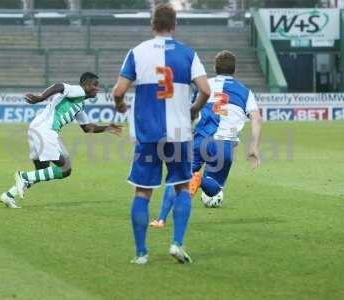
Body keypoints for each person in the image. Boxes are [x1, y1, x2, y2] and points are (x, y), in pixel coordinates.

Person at [112, 3, 210, 265]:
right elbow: (206, 90)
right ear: (174, 26)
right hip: (178, 134)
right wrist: (194, 109)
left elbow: (118, 91)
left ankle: (141, 253)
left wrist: (120, 105)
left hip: (148, 135)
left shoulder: (137, 52)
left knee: (142, 193)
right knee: (181, 189)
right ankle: (177, 243)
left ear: (152, 24)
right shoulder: (188, 54)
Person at [150, 50, 262, 228]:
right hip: (223, 146)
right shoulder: (245, 92)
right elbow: (256, 118)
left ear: (215, 68)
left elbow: (192, 113)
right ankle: (199, 180)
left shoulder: (205, 86)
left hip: (198, 141)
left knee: (177, 177)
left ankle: (161, 219)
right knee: (214, 189)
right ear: (235, 69)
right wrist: (253, 147)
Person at [0, 72, 122, 208]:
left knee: (42, 171)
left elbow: (87, 127)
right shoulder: (78, 90)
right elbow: (59, 86)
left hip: (37, 128)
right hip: (46, 130)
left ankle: (9, 195)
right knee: (65, 169)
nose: (97, 89)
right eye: (94, 85)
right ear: (86, 84)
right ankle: (23, 176)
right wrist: (41, 97)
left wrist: (107, 128)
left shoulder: (79, 104)